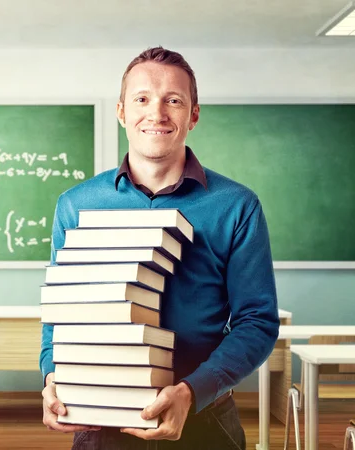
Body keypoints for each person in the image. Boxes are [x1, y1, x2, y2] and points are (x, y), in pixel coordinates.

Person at [39, 46, 280, 450]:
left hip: (205, 418)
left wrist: (191, 391)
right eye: (142, 99)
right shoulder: (75, 205)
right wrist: (51, 376)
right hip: (100, 420)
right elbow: (61, 315)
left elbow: (257, 321)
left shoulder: (237, 206)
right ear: (121, 112)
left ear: (193, 115)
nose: (157, 113)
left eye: (174, 100)